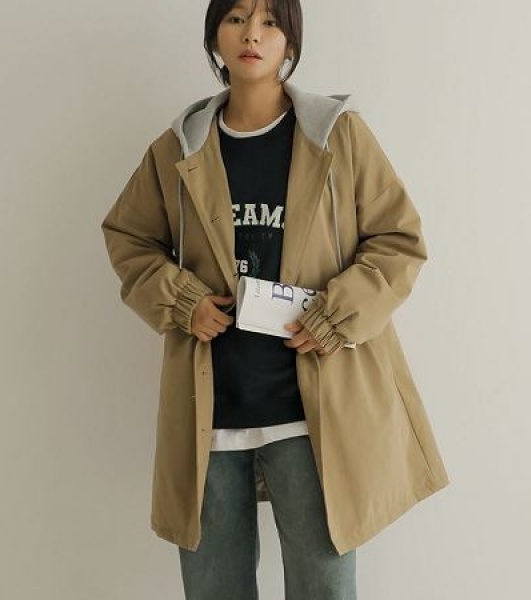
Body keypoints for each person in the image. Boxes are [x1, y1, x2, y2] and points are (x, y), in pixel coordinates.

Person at [101, 0, 451, 598]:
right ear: (214, 36)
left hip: (312, 414)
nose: (252, 35)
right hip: (212, 414)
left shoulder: (338, 136)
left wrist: (335, 316)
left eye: (270, 22)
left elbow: (398, 241)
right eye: (236, 18)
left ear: (291, 40)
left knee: (323, 589)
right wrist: (182, 301)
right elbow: (129, 237)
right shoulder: (178, 148)